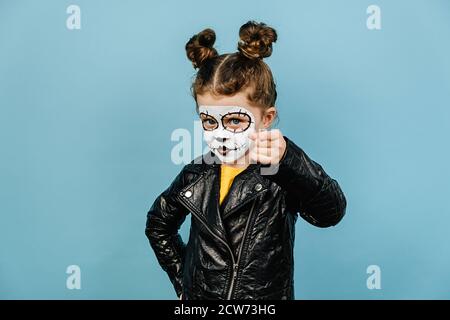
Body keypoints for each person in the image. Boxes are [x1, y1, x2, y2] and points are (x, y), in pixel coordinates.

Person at [145, 21, 347, 300]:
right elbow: (158, 224)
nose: (221, 134)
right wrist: (184, 282)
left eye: (235, 120)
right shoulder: (195, 175)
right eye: (208, 121)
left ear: (266, 118)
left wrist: (291, 160)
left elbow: (331, 212)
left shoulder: (282, 174)